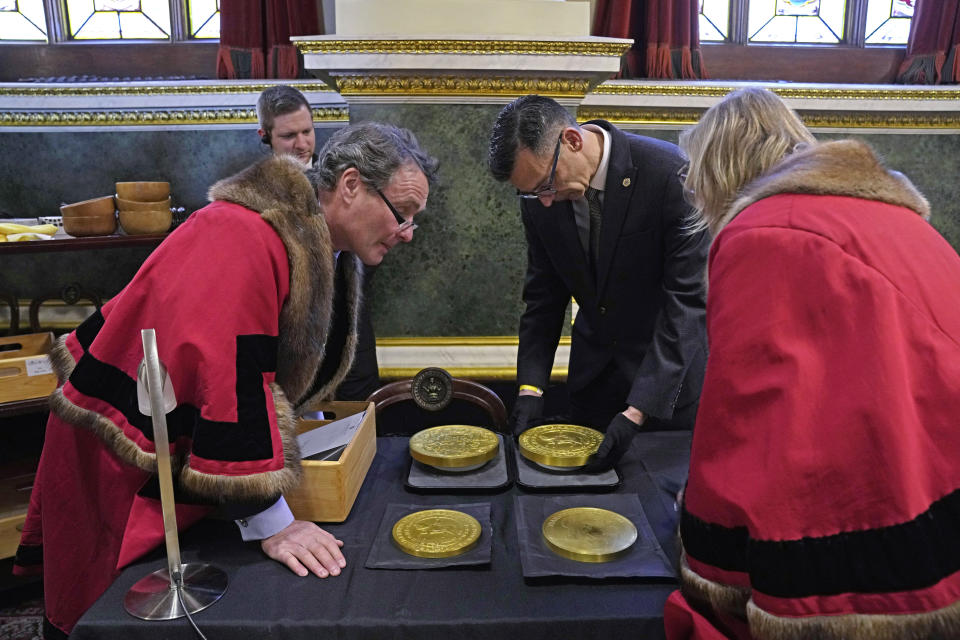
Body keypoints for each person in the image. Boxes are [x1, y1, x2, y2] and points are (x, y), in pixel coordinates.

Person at [14, 122, 438, 639]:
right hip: (122, 446)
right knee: (108, 605)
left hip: (172, 432)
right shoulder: (242, 234)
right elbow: (226, 377)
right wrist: (273, 524)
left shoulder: (317, 242)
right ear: (350, 185)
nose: (409, 232)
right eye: (404, 213)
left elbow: (267, 363)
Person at [666, 87, 960, 639]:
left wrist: (706, 535)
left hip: (865, 528)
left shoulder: (761, 234)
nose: (692, 192)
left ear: (718, 168)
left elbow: (750, 412)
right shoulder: (884, 213)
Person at [488, 94, 709, 469]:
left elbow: (686, 304)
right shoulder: (539, 197)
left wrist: (638, 411)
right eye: (531, 193)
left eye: (545, 184)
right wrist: (530, 387)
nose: (543, 201)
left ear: (572, 140)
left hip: (665, 392)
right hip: (591, 387)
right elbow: (544, 296)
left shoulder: (670, 174)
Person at [256, 84, 381, 400]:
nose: (301, 144)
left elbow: (373, 251)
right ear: (264, 136)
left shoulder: (345, 182)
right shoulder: (254, 193)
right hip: (286, 343)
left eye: (307, 132)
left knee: (360, 424)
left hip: (348, 331)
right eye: (288, 136)